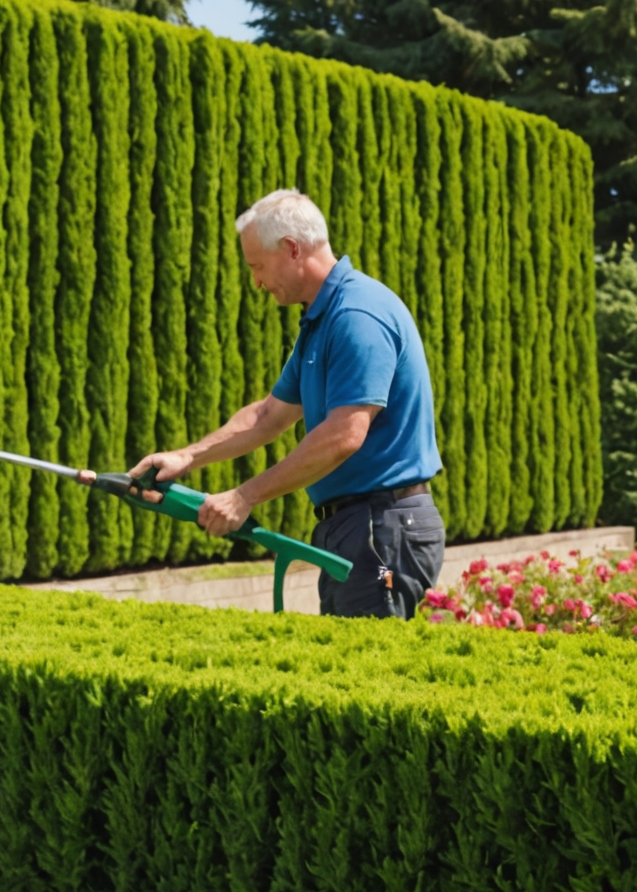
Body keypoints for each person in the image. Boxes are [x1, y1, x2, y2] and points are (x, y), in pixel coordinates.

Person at [80, 188, 445, 618]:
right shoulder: (322, 318)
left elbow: (344, 435)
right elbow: (269, 414)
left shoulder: (357, 316)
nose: (255, 281)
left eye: (257, 266)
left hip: (382, 529)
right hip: (359, 526)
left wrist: (244, 497)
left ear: (292, 249)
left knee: (368, 658)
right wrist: (187, 457)